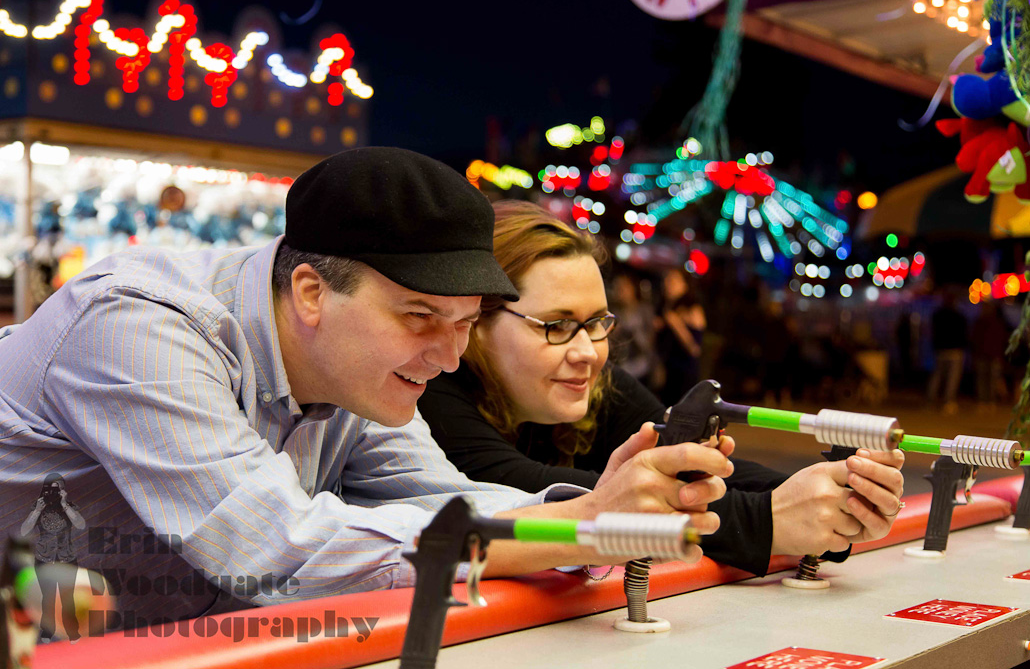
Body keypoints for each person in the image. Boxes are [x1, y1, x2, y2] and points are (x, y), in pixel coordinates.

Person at [0, 148, 732, 631]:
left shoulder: (355, 373)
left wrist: (594, 516)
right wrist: (582, 526)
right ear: (312, 292)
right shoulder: (136, 326)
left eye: (464, 323)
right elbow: (274, 547)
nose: (449, 358)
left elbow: (444, 499)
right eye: (419, 317)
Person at [418, 201, 906, 576]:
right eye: (556, 326)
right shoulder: (429, 396)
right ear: (474, 323)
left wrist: (839, 496)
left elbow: (695, 467)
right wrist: (770, 521)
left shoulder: (598, 386)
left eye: (596, 323)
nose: (588, 352)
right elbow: (557, 498)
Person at [19, 473, 86, 641]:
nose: (54, 492)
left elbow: (81, 525)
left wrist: (65, 504)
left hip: (66, 558)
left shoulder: (69, 506)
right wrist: (37, 510)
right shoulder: (38, 506)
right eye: (51, 488)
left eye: (59, 488)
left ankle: (72, 631)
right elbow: (24, 531)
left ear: (64, 490)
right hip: (44, 558)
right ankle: (47, 630)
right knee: (47, 598)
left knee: (68, 598)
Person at [655, 268, 706, 406]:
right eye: (667, 281)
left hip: (684, 372)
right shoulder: (663, 308)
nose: (668, 285)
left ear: (685, 285)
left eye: (674, 281)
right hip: (667, 370)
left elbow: (694, 349)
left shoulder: (693, 309)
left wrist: (675, 323)